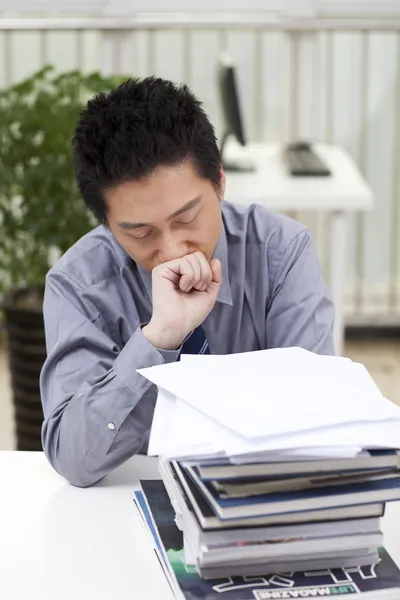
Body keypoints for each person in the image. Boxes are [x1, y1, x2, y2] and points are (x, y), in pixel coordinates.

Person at [40, 76, 334, 488]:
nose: (174, 249)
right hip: (130, 507)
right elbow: (73, 460)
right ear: (108, 225)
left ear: (220, 180)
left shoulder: (279, 253)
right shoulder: (79, 284)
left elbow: (317, 419)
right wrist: (158, 339)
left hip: (262, 495)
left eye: (186, 218)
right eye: (141, 234)